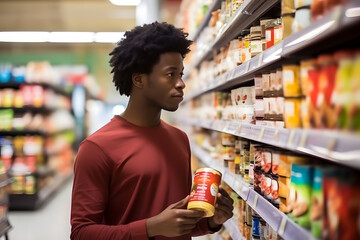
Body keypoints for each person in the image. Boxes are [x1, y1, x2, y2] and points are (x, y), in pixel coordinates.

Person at [70, 21, 234, 240]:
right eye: (170, 74)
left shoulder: (180, 139)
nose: (181, 83)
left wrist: (212, 222)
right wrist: (149, 228)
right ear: (139, 79)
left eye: (181, 74)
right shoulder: (97, 148)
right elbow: (82, 233)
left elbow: (178, 223)